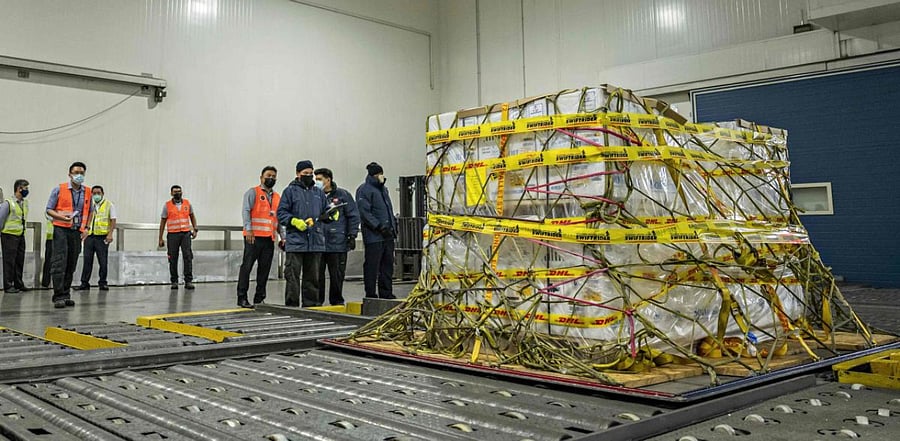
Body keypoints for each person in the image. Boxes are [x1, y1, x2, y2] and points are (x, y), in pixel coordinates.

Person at [276, 160, 336, 307]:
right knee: (292, 277)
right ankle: (292, 306)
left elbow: (325, 211)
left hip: (315, 242)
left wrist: (331, 215)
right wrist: (294, 221)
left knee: (313, 278)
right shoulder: (289, 191)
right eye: (305, 174)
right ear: (297, 174)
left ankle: (311, 305)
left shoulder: (318, 193)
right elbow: (281, 213)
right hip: (296, 242)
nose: (308, 176)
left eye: (311, 173)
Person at [237, 166, 285, 308]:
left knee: (264, 270)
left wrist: (283, 236)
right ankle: (242, 297)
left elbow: (279, 219)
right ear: (261, 178)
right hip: (253, 238)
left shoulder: (277, 197)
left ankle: (259, 298)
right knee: (246, 267)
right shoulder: (253, 193)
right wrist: (249, 230)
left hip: (269, 239)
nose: (271, 178)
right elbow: (246, 211)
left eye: (273, 176)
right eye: (268, 175)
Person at [46, 162, 92, 308]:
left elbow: (90, 211)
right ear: (70, 174)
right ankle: (58, 296)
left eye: (82, 173)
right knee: (59, 262)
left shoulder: (88, 192)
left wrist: (87, 228)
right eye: (76, 172)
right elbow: (49, 209)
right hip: (61, 230)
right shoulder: (59, 189)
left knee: (71, 263)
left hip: (76, 231)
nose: (79, 175)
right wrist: (61, 218)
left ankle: (66, 294)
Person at [314, 168, 359, 306]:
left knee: (337, 275)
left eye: (320, 179)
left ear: (328, 180)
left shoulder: (343, 196)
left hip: (337, 243)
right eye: (316, 180)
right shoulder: (314, 195)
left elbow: (353, 215)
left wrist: (352, 235)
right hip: (318, 243)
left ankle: (337, 301)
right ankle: (316, 301)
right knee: (316, 276)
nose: (317, 182)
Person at [356, 162, 397, 299]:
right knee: (372, 266)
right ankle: (371, 294)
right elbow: (365, 212)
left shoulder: (383, 190)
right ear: (373, 175)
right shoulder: (364, 190)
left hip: (388, 235)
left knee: (387, 265)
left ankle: (386, 292)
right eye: (378, 174)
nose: (381, 176)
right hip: (374, 236)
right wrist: (378, 226)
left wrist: (392, 226)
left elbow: (388, 210)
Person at [74, 186, 117, 291]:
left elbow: (113, 220)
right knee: (87, 260)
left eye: (98, 193)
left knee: (103, 261)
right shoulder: (90, 205)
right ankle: (84, 283)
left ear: (103, 193)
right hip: (90, 236)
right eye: (94, 193)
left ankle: (103, 283)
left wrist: (110, 234)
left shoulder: (109, 205)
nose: (96, 195)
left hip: (102, 237)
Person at [158, 185, 197, 290]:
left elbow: (192, 216)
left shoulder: (187, 204)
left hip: (185, 234)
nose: (177, 193)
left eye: (179, 191)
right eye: (175, 192)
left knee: (188, 257)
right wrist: (160, 238)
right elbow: (163, 221)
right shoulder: (167, 206)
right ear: (171, 193)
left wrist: (195, 228)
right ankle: (174, 281)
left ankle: (188, 281)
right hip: (173, 235)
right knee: (172, 258)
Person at [0, 179, 30, 293]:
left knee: (19, 260)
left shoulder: (24, 203)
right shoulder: (8, 203)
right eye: (26, 188)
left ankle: (18, 283)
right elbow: (1, 218)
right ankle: (8, 285)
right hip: (9, 235)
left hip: (20, 235)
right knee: (9, 261)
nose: (27, 191)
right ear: (19, 188)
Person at [41, 215, 53, 288]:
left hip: (61, 237)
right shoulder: (50, 208)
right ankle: (45, 283)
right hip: (51, 238)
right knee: (48, 261)